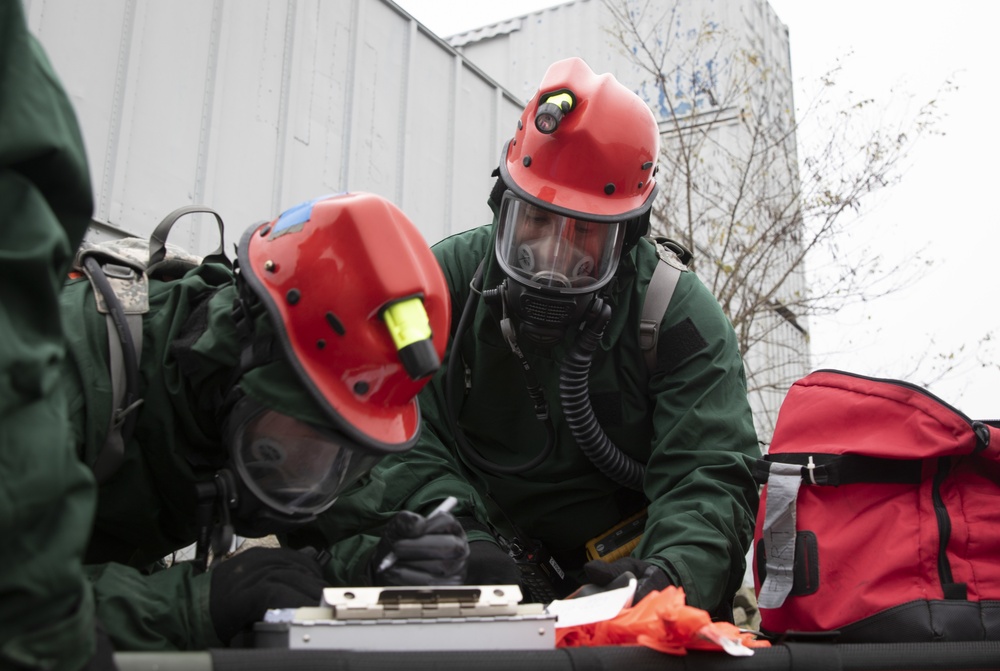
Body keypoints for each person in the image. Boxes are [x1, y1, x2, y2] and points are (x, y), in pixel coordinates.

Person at [297, 57, 761, 619]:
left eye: (583, 231)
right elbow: (383, 427)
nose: (551, 257)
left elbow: (710, 473)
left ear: (628, 234)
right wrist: (463, 539)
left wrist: (668, 576)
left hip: (621, 578)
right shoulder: (444, 286)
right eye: (535, 221)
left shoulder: (675, 316)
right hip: (479, 560)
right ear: (503, 204)